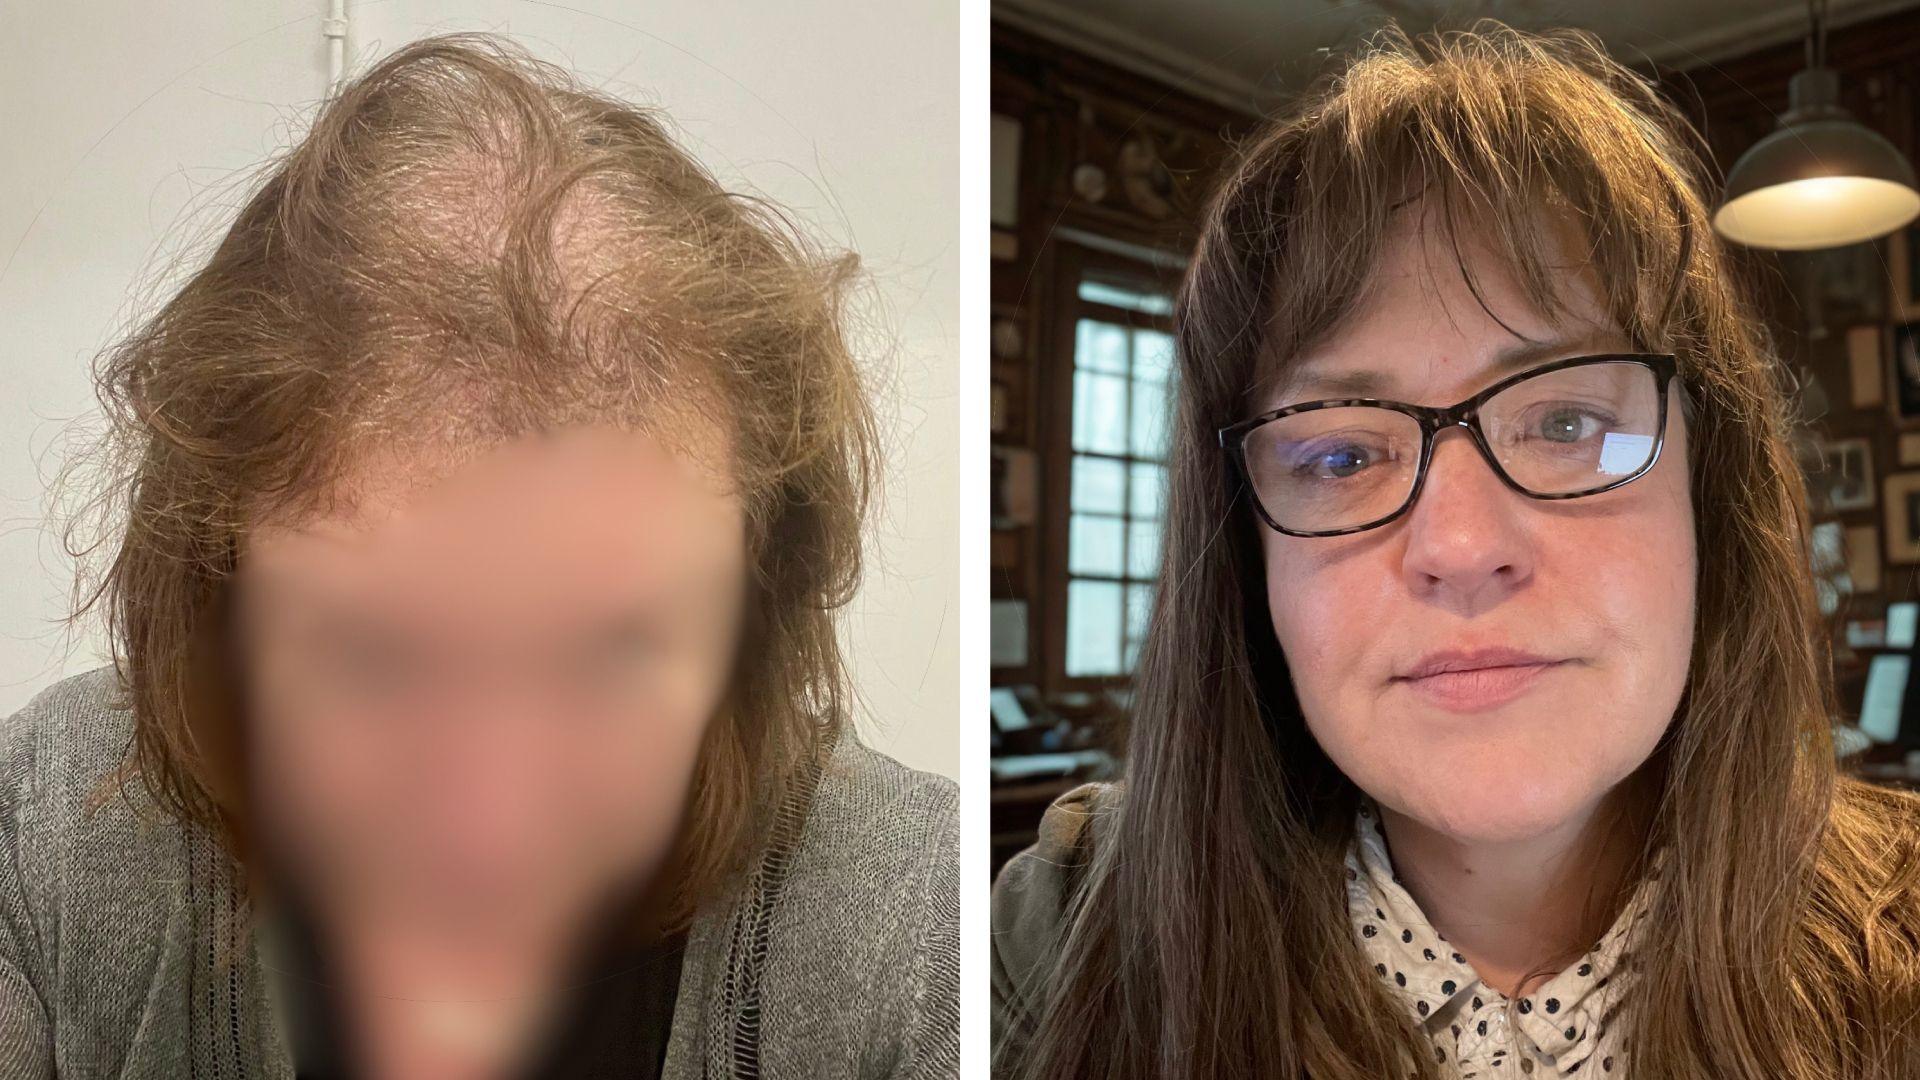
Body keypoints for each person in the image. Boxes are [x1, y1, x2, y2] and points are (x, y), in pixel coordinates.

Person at [0, 34, 956, 1079]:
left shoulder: (918, 931)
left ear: (752, 620)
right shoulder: (50, 836)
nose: (486, 839)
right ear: (216, 611)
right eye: (370, 658)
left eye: (610, 658)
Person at [991, 22, 1920, 1080]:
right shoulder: (1067, 928)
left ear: (1708, 490)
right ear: (1245, 560)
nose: (1463, 545)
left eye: (1566, 423)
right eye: (1342, 456)